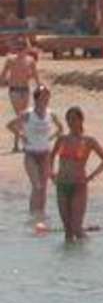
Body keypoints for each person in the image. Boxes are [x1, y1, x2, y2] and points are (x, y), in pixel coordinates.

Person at [49, 106, 103, 243]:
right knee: (67, 230)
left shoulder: (88, 141)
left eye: (74, 119)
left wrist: (91, 177)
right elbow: (51, 157)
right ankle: (69, 256)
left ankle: (88, 249)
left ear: (81, 120)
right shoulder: (62, 139)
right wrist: (51, 174)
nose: (71, 122)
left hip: (78, 185)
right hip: (62, 185)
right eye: (69, 119)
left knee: (76, 228)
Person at [9, 85, 56, 224]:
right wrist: (22, 136)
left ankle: (41, 215)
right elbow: (10, 125)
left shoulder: (50, 113)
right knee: (37, 186)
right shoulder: (28, 114)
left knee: (44, 187)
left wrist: (51, 138)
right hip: (31, 154)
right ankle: (33, 217)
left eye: (47, 96)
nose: (46, 99)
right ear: (36, 98)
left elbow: (60, 128)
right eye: (43, 96)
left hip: (45, 154)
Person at [4, 36, 41, 152]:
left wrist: (40, 87)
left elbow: (36, 76)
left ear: (26, 48)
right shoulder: (10, 59)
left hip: (25, 90)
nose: (20, 49)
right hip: (14, 90)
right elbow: (3, 75)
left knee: (22, 117)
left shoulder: (30, 60)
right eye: (18, 47)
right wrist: (8, 81)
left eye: (22, 46)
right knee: (20, 116)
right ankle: (21, 143)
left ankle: (19, 144)